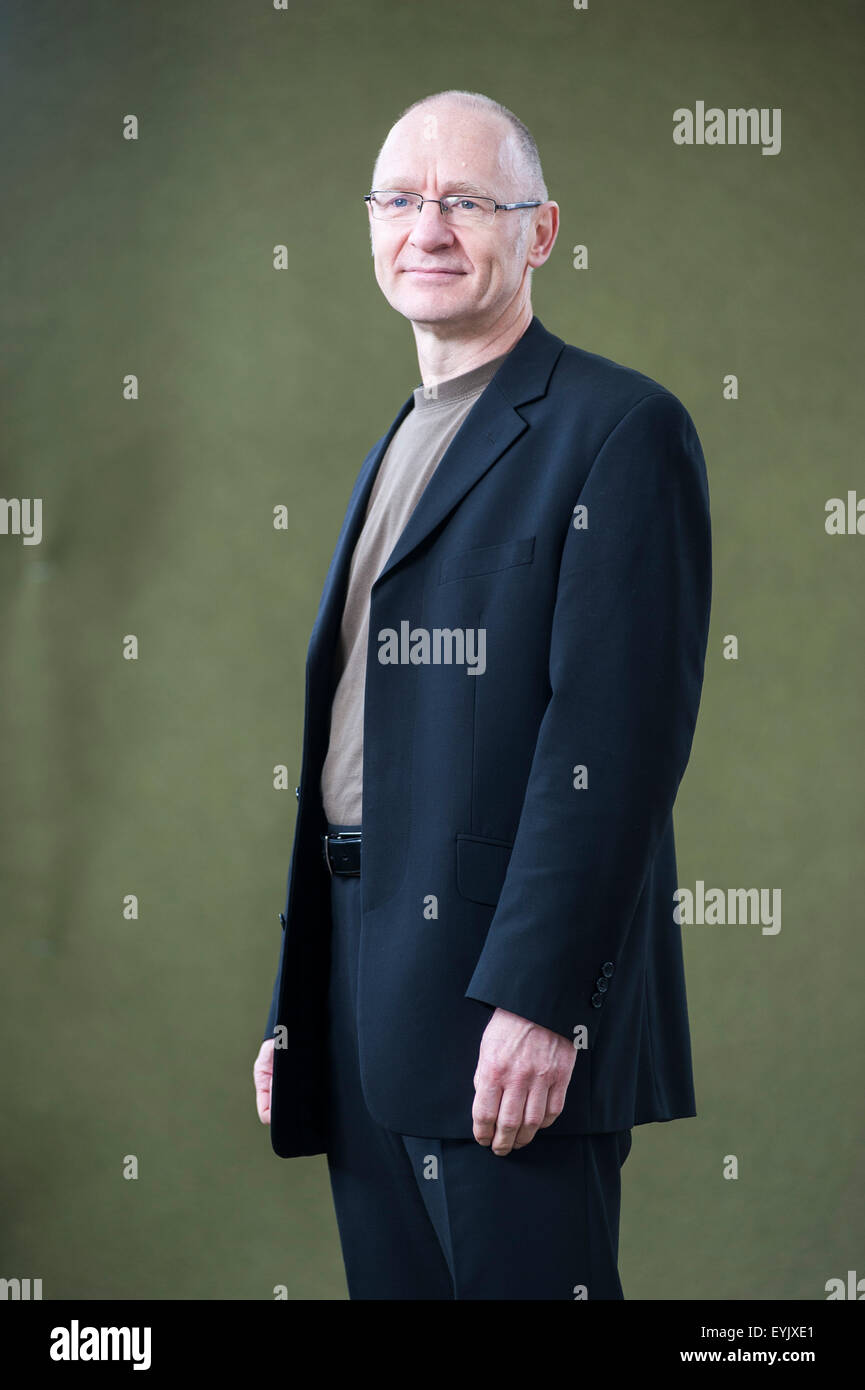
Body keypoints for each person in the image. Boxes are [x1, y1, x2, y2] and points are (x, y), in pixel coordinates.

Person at [252, 88, 712, 1300]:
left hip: (497, 1000)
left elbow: (614, 740)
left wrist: (542, 1001)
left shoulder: (619, 428)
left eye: (467, 200)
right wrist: (298, 1004)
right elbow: (365, 747)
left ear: (542, 231)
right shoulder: (399, 440)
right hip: (363, 984)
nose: (429, 227)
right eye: (401, 199)